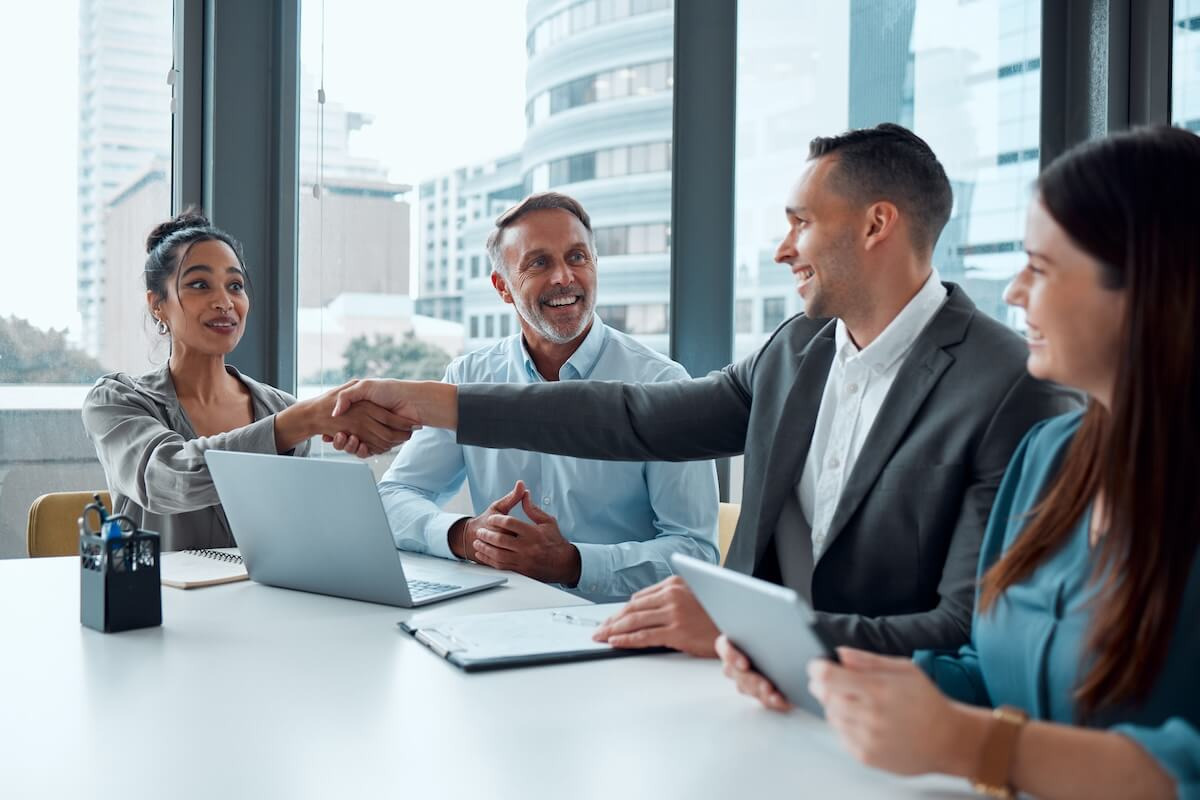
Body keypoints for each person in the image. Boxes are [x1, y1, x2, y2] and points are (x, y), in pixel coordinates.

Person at [328, 123, 1077, 655]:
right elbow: (633, 418)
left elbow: (967, 630)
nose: (784, 249)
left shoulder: (1013, 387)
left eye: (802, 223)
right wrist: (431, 400)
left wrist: (746, 630)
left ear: (878, 224)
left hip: (888, 729)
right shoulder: (797, 350)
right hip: (741, 696)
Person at [718, 126, 1200, 799]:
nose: (1013, 291)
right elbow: (982, 664)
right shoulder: (1051, 458)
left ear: (1150, 285)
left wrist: (976, 745)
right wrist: (813, 668)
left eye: (1042, 265)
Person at [377, 193, 719, 601]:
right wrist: (464, 535)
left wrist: (572, 563)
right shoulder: (468, 379)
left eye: (577, 257)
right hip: (499, 623)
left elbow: (696, 555)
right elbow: (392, 498)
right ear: (502, 287)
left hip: (618, 634)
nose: (563, 277)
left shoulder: (664, 385)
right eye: (539, 262)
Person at [82, 210, 411, 551]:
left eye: (235, 286)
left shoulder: (279, 407)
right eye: (199, 284)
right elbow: (165, 479)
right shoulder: (116, 400)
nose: (225, 302)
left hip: (256, 600)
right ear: (157, 305)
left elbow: (290, 535)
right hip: (159, 602)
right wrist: (304, 419)